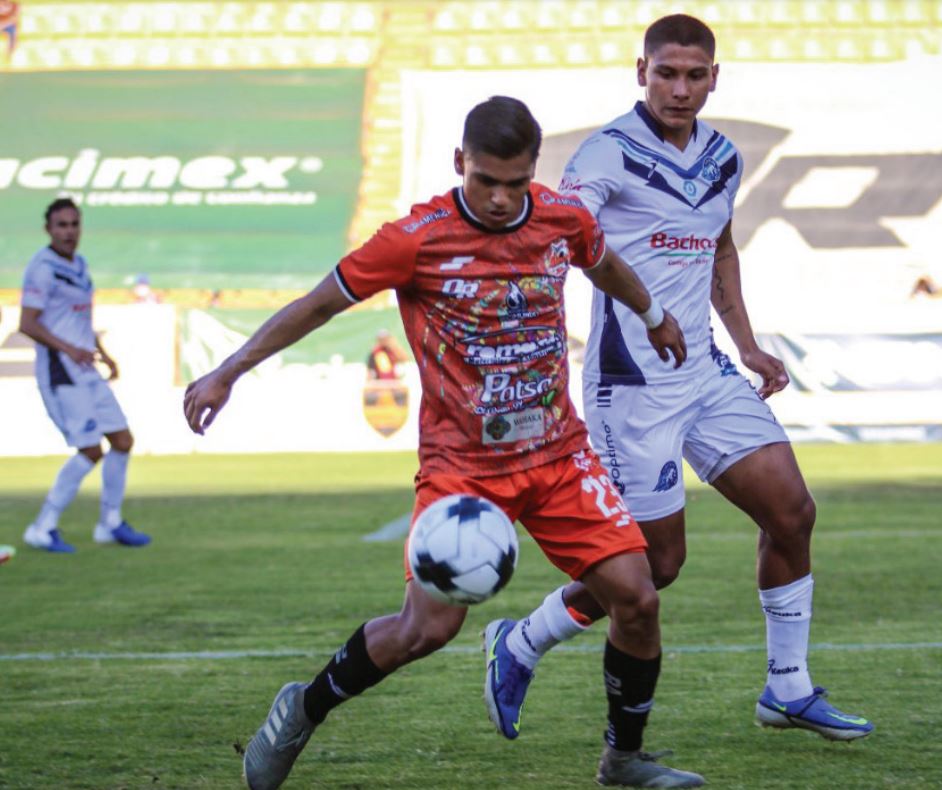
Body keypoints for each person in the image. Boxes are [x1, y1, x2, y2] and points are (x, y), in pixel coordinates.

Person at [183, 97, 705, 789]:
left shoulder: (562, 219)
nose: (498, 198)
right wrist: (227, 370)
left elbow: (602, 263)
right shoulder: (413, 239)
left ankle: (624, 758)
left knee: (638, 598)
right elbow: (317, 305)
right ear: (460, 162)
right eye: (484, 179)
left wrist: (654, 314)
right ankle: (302, 709)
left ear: (532, 173)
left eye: (513, 184)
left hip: (557, 456)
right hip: (463, 471)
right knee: (425, 631)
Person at [483, 15, 873, 743]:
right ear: (641, 72)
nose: (680, 88)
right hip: (631, 385)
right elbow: (564, 236)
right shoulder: (605, 155)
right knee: (657, 565)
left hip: (705, 371)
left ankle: (786, 689)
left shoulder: (723, 156)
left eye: (695, 75)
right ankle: (520, 641)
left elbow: (720, 248)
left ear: (714, 79)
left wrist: (747, 345)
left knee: (791, 512)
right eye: (666, 73)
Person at [19, 198, 151, 553]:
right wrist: (69, 349)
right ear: (48, 229)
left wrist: (102, 354)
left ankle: (109, 524)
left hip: (85, 366)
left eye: (74, 224)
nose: (69, 231)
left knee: (122, 441)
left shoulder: (79, 265)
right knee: (91, 449)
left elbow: (78, 321)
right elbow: (27, 324)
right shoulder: (42, 268)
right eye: (61, 225)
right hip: (61, 368)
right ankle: (42, 527)